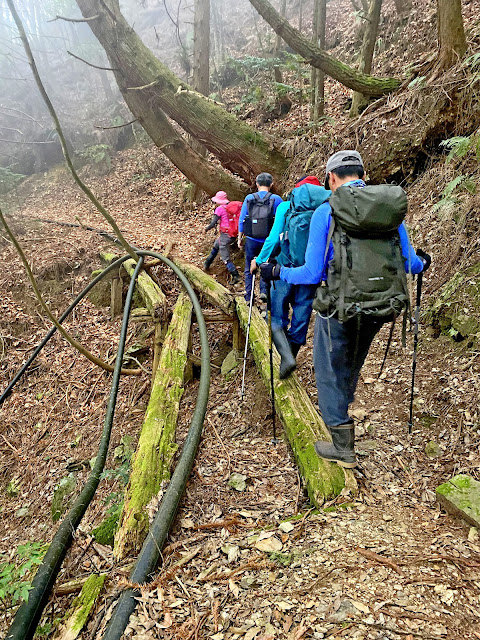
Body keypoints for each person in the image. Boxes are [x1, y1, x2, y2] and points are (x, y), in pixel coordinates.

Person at [260, 150, 431, 468]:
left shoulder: (327, 211)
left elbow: (311, 274)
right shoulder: (386, 209)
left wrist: (277, 272)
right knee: (352, 360)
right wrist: (424, 261)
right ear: (362, 174)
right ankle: (344, 419)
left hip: (340, 307)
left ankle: (342, 445)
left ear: (332, 178)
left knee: (327, 370)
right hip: (383, 305)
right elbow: (411, 262)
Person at [251, 176, 331, 379]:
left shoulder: (286, 207)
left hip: (283, 270)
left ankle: (286, 358)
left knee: (277, 317)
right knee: (301, 318)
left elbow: (273, 238)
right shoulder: (325, 210)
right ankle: (290, 360)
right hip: (309, 275)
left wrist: (260, 261)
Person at [237, 173, 283, 303]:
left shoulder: (249, 198)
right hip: (268, 241)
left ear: (257, 184)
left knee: (248, 267)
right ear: (271, 184)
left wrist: (240, 238)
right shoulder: (277, 199)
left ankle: (249, 296)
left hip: (251, 239)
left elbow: (242, 219)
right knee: (266, 264)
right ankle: (264, 292)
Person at [204, 190, 241, 284]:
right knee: (216, 245)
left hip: (225, 235)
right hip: (233, 234)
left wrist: (206, 229)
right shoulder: (232, 207)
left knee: (225, 258)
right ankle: (207, 264)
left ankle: (235, 275)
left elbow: (213, 223)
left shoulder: (220, 209)